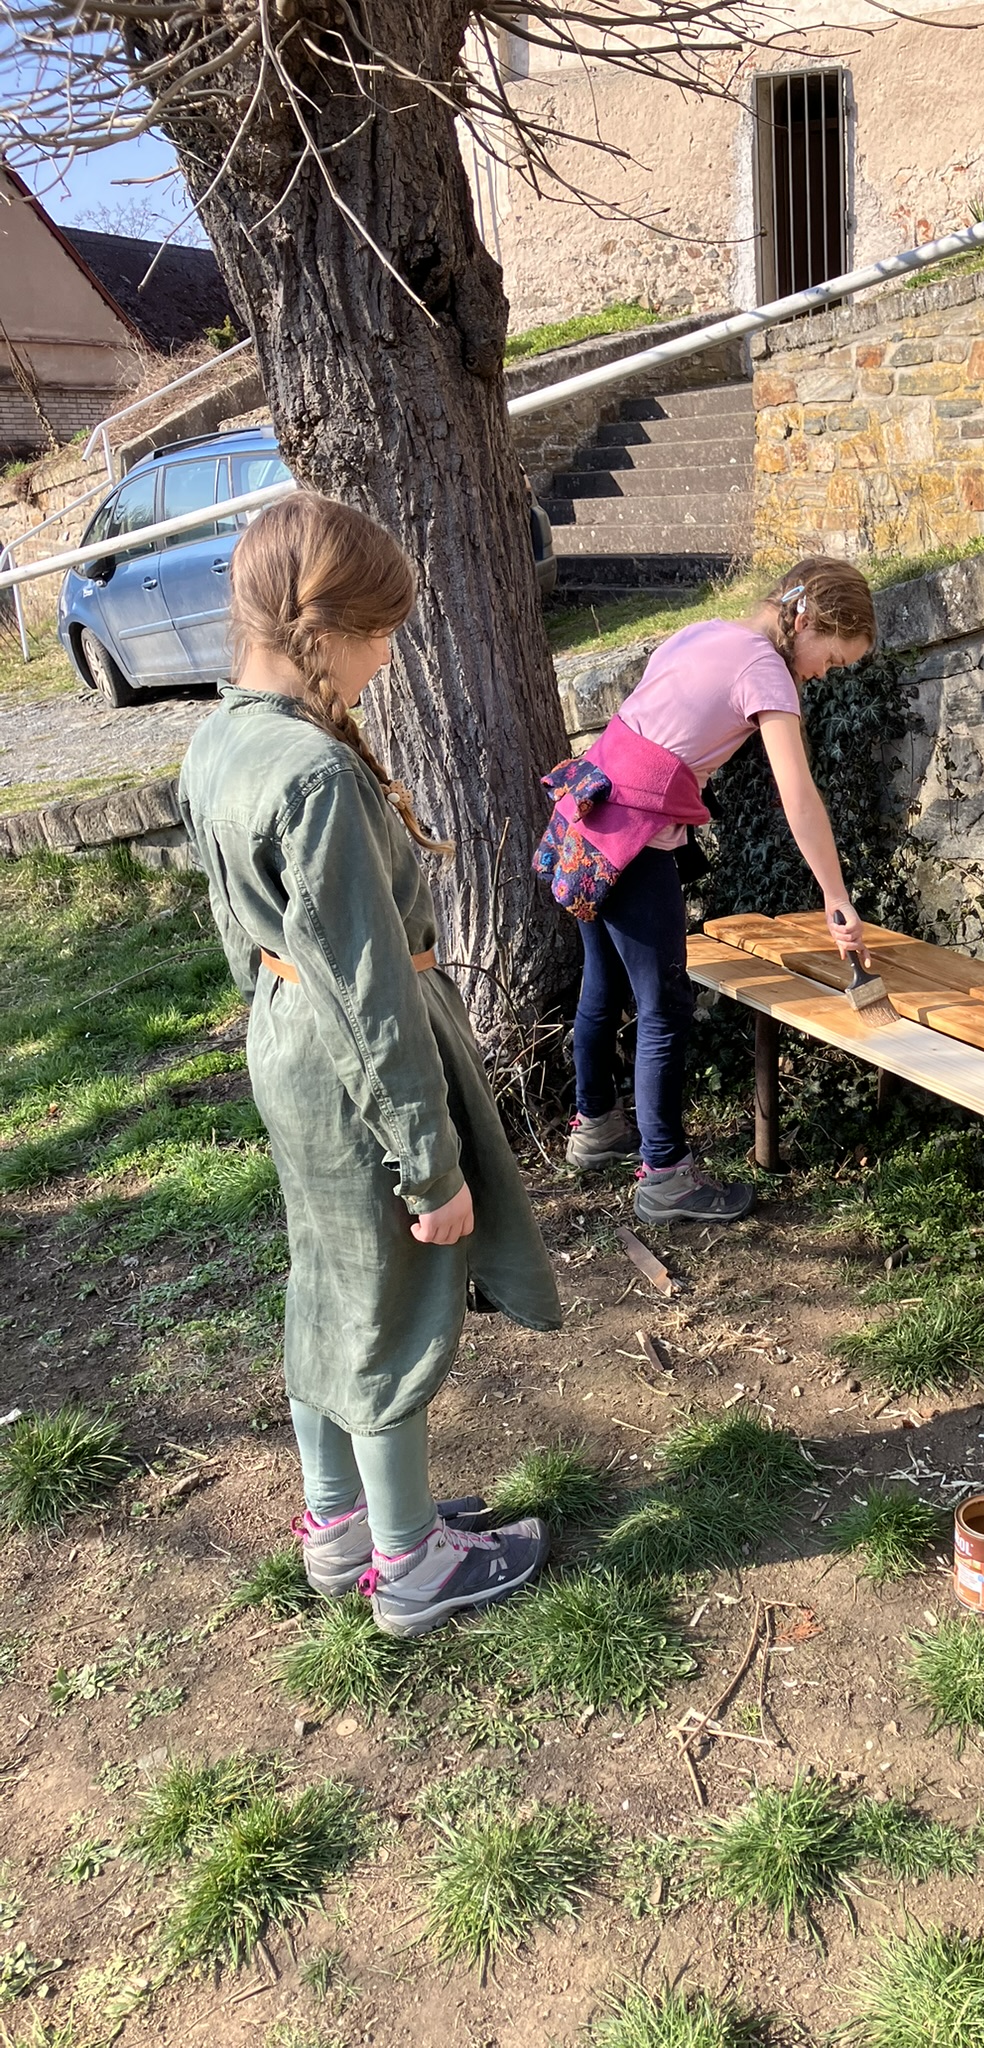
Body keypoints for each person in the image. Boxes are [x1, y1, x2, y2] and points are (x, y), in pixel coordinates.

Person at [178, 493, 563, 1639]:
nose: (390, 656)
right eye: (383, 632)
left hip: (290, 1045)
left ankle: (339, 1522)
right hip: (354, 1064)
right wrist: (427, 1162)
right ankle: (410, 1565)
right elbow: (368, 989)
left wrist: (272, 1019)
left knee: (328, 1281)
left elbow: (240, 932)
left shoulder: (223, 736)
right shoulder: (314, 774)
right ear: (324, 629)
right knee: (392, 1300)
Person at [545, 556, 877, 1225]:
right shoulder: (766, 670)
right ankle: (666, 1177)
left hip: (585, 818)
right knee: (664, 1006)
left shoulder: (706, 632)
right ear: (805, 623)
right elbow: (798, 796)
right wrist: (836, 896)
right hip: (633, 839)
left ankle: (596, 1127)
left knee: (603, 984)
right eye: (833, 659)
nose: (824, 674)